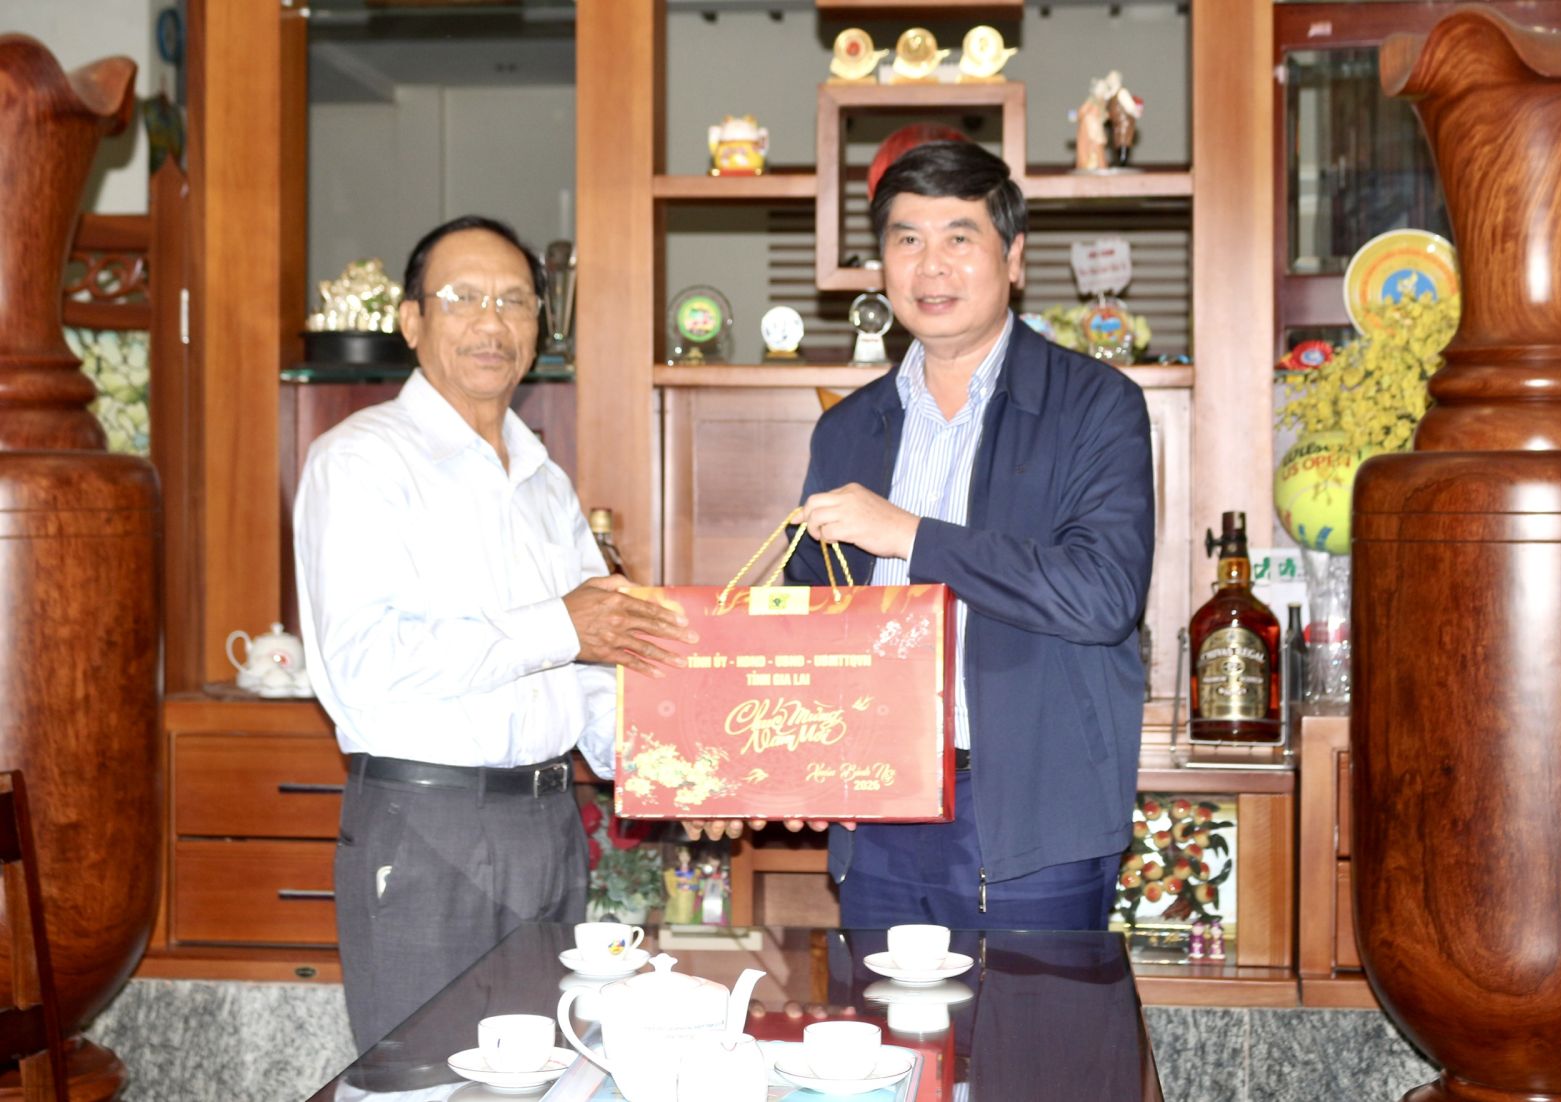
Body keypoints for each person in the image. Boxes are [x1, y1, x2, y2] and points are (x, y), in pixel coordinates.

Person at [294, 215, 695, 1052]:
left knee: (542, 1074)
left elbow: (593, 663)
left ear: (539, 327)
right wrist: (559, 625)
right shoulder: (361, 461)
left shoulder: (544, 480)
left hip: (549, 826)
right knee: (430, 1080)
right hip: (426, 824)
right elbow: (365, 662)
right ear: (411, 321)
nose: (492, 322)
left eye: (514, 301)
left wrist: (679, 778)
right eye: (463, 298)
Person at [788, 141, 1155, 930]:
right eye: (907, 239)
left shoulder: (1097, 406)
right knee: (877, 1016)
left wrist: (912, 537)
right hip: (874, 806)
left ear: (1013, 257)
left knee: (1034, 1013)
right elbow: (811, 621)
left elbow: (1102, 597)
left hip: (1034, 813)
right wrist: (805, 759)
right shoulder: (846, 430)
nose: (932, 266)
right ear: (882, 264)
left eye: (960, 237)